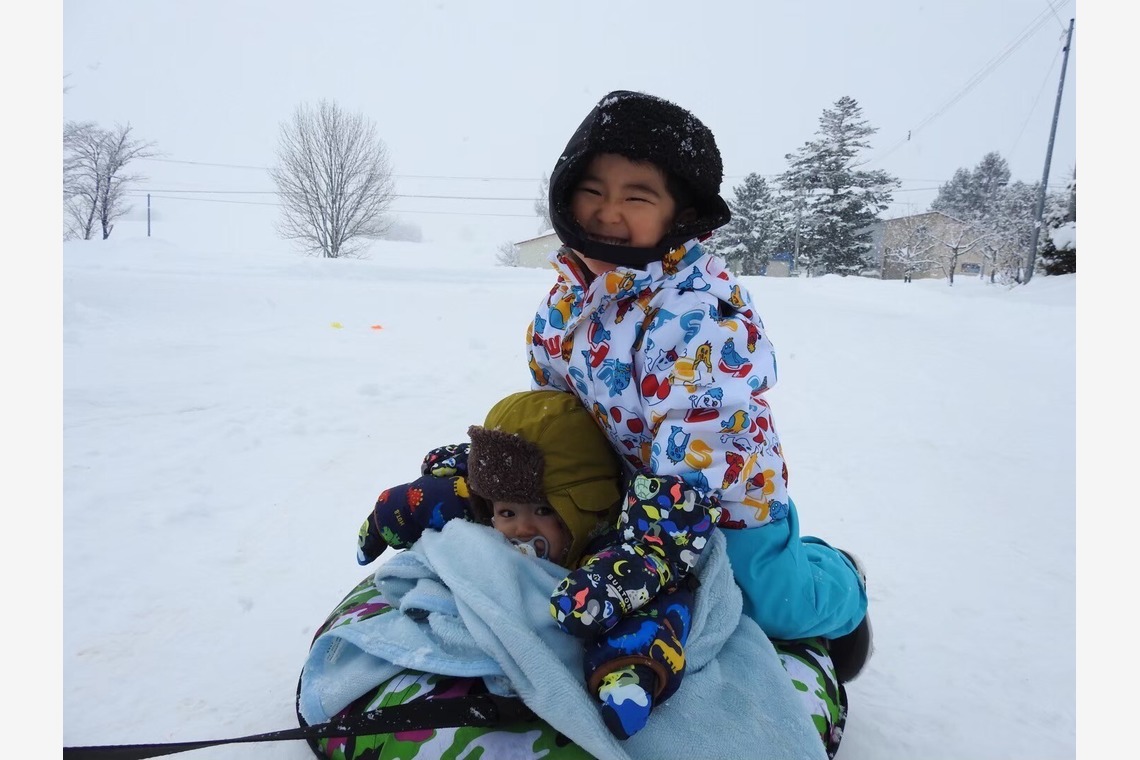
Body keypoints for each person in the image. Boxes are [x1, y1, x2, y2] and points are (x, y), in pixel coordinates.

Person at [525, 90, 872, 691]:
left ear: (678, 215)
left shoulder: (698, 312)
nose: (609, 210)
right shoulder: (566, 300)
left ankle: (840, 580)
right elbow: (553, 399)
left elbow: (704, 431)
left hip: (727, 491)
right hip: (635, 481)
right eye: (592, 190)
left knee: (769, 602)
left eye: (637, 196)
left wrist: (653, 543)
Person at [356, 389, 697, 740]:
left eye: (544, 510)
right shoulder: (483, 516)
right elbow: (430, 500)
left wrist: (629, 668)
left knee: (644, 600)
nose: (521, 528)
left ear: (588, 506)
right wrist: (388, 516)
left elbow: (655, 603)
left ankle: (627, 679)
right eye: (506, 512)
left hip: (600, 603)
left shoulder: (607, 551)